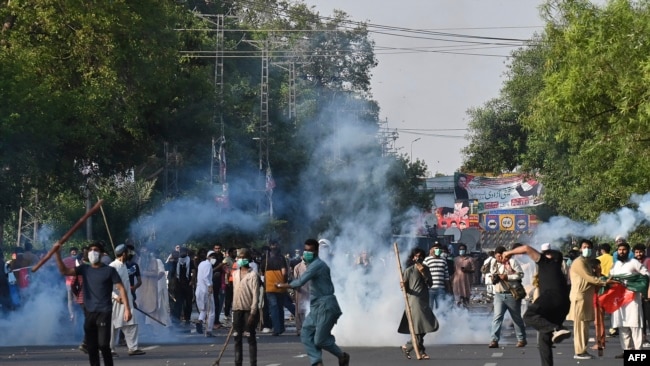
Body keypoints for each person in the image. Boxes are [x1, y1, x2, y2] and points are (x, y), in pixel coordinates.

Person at [55, 241, 131, 366]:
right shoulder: (85, 269)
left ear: (101, 253)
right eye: (90, 250)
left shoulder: (109, 270)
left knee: (104, 345)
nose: (92, 252)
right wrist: (57, 254)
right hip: (89, 312)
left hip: (104, 311)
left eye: (95, 250)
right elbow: (65, 271)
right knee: (92, 348)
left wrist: (127, 309)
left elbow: (121, 288)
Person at [275, 239, 350, 366]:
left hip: (326, 305)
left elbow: (300, 282)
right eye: (306, 250)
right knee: (305, 333)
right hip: (316, 306)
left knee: (320, 340)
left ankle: (342, 356)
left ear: (316, 251)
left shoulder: (317, 265)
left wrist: (282, 285)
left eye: (310, 251)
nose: (307, 253)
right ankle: (316, 362)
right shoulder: (312, 265)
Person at [502, 244, 571, 366]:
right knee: (543, 340)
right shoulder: (557, 269)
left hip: (550, 298)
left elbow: (527, 248)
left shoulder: (546, 262)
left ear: (549, 257)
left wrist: (509, 252)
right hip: (564, 304)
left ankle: (557, 329)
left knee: (528, 316)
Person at [566, 239, 608, 360]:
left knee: (584, 325)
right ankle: (579, 352)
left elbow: (594, 279)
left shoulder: (588, 262)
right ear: (580, 249)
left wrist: (599, 274)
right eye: (584, 247)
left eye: (589, 247)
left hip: (587, 297)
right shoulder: (579, 262)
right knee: (580, 326)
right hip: (580, 297)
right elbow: (590, 278)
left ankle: (583, 350)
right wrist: (604, 281)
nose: (587, 249)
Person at [608, 241, 649, 358]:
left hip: (632, 299)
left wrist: (636, 286)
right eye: (619, 250)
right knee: (622, 325)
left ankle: (638, 351)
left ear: (628, 251)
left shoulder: (634, 262)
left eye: (624, 250)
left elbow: (646, 275)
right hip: (619, 299)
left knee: (635, 325)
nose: (621, 252)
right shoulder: (616, 265)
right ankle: (627, 350)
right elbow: (611, 278)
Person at [397, 247, 439, 360]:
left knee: (425, 326)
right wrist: (403, 285)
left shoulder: (426, 268)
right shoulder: (408, 270)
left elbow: (430, 283)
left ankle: (407, 346)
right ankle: (421, 351)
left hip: (424, 300)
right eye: (416, 255)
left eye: (420, 256)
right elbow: (404, 289)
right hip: (414, 301)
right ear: (413, 257)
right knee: (420, 327)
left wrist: (423, 272)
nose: (418, 258)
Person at [109, 244, 145, 356]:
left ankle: (133, 348)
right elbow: (107, 286)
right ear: (123, 254)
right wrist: (115, 296)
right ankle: (109, 350)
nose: (129, 254)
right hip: (115, 301)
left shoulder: (125, 265)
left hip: (127, 300)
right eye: (127, 252)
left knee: (131, 323)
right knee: (112, 326)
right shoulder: (112, 267)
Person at [489, 245, 527, 348]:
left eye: (499, 256)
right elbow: (492, 275)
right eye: (496, 257)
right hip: (499, 294)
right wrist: (494, 279)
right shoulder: (494, 263)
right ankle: (494, 340)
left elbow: (520, 275)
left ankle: (521, 339)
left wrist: (507, 277)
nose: (498, 259)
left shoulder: (512, 262)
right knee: (497, 317)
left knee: (516, 318)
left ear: (504, 254)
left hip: (511, 294)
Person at [231, 248, 262, 366]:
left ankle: (253, 363)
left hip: (249, 310)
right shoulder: (235, 274)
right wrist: (233, 310)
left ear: (248, 259)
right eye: (239, 257)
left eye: (243, 257)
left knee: (250, 338)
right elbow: (235, 291)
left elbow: (256, 295)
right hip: (237, 309)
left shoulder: (253, 275)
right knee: (237, 339)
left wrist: (253, 312)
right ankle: (237, 363)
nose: (241, 260)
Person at [264, 240, 295, 336]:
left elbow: (262, 273)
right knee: (280, 307)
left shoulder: (265, 260)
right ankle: (281, 327)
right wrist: (284, 281)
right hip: (280, 285)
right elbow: (284, 272)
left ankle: (277, 329)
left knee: (274, 308)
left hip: (269, 286)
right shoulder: (281, 259)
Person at [196, 250, 217, 337]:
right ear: (208, 257)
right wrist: (210, 286)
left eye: (214, 257)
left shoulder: (201, 264)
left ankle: (200, 321)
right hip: (206, 290)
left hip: (199, 290)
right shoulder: (208, 265)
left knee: (203, 309)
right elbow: (205, 277)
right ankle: (209, 330)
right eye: (212, 256)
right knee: (211, 311)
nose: (213, 258)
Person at [632, 244, 650, 347]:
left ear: (644, 251)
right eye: (637, 252)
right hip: (636, 294)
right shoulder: (632, 262)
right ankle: (643, 338)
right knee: (640, 318)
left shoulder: (648, 261)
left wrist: (648, 294)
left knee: (648, 316)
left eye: (640, 252)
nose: (639, 254)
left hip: (646, 294)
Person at [423, 242, 450, 309]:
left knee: (440, 308)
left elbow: (446, 276)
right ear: (432, 250)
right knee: (430, 308)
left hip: (441, 289)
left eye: (439, 248)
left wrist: (449, 288)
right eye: (436, 248)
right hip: (430, 289)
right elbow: (423, 273)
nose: (438, 250)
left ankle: (440, 319)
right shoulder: (427, 260)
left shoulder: (443, 260)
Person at [172, 247, 195, 325]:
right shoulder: (177, 261)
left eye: (184, 252)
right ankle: (177, 318)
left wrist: (192, 281)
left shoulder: (190, 261)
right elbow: (175, 273)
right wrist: (175, 283)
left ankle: (187, 318)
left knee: (188, 303)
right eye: (181, 251)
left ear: (186, 252)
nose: (182, 253)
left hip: (187, 284)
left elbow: (193, 271)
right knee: (178, 302)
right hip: (179, 285)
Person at [293, 253, 310, 336]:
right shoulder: (297, 267)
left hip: (311, 291)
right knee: (299, 311)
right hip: (300, 291)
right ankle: (299, 329)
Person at [452, 243, 475, 308]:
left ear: (465, 250)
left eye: (463, 249)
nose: (461, 251)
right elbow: (453, 270)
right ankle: (458, 314)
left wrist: (467, 270)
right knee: (457, 299)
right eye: (460, 249)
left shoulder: (470, 259)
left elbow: (474, 270)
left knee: (466, 298)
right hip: (457, 282)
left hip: (466, 281)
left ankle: (466, 314)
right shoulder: (455, 259)